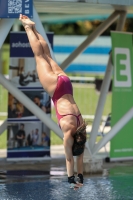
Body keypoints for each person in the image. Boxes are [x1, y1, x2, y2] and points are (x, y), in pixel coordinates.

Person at [19, 14, 86, 190]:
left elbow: (80, 160)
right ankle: (27, 27)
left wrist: (81, 179)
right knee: (39, 56)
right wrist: (71, 180)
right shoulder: (69, 134)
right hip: (55, 89)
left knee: (46, 54)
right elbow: (70, 159)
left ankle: (34, 28)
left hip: (66, 83)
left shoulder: (81, 128)